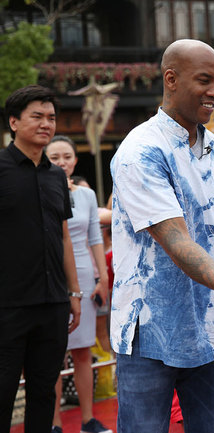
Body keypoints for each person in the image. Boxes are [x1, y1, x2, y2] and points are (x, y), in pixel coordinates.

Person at [109, 39, 214, 432]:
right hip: (150, 332)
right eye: (204, 80)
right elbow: (177, 241)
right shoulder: (141, 151)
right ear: (171, 79)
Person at [0, 85, 81, 432]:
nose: (46, 124)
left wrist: (74, 293)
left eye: (51, 117)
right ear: (14, 122)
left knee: (44, 393)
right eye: (37, 116)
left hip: (52, 303)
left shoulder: (55, 176)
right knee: (2, 394)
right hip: (8, 305)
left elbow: (63, 235)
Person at [45, 136, 111, 433]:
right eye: (55, 157)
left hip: (84, 275)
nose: (62, 162)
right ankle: (54, 423)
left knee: (84, 351)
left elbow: (95, 238)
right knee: (51, 355)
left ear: (75, 160)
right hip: (49, 276)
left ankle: (88, 419)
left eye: (67, 157)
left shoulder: (86, 196)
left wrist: (103, 278)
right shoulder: (40, 190)